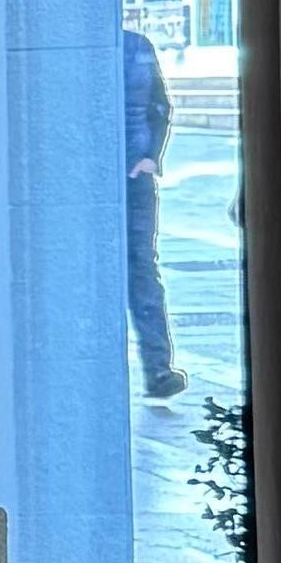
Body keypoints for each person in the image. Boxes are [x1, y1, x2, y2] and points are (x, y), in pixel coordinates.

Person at [123, 22, 183, 401]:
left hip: (129, 178)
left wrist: (149, 156)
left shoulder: (136, 47)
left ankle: (158, 369)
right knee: (142, 270)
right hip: (129, 177)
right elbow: (160, 107)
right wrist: (149, 156)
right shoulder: (137, 46)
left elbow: (159, 106)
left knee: (140, 270)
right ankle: (157, 369)